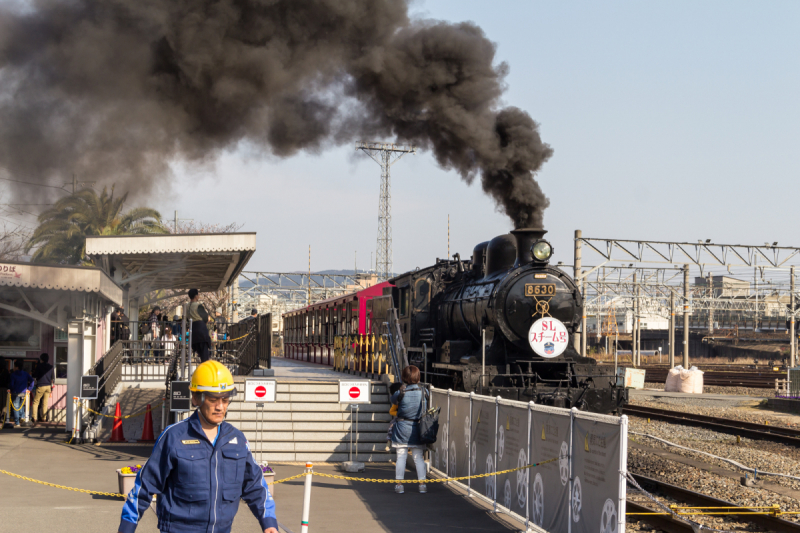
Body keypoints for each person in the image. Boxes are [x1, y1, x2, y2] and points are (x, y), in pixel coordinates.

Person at [117, 360, 279, 533]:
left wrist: (268, 522)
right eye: (213, 400)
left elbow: (255, 485)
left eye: (225, 400)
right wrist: (127, 527)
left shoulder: (237, 440)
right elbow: (145, 485)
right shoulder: (174, 437)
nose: (220, 407)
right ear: (196, 398)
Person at [390, 365, 428, 494]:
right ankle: (422, 485)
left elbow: (393, 400)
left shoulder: (400, 392)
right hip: (418, 427)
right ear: (418, 377)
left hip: (402, 427)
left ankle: (399, 485)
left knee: (401, 457)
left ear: (404, 377)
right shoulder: (424, 392)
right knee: (418, 458)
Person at [188, 288, 212, 363]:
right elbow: (205, 318)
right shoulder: (198, 306)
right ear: (196, 296)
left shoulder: (186, 306)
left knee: (198, 351)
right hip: (201, 330)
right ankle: (205, 370)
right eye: (198, 295)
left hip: (193, 330)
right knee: (204, 354)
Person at [9, 360, 35, 427]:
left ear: (17, 367)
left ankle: (17, 422)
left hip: (15, 392)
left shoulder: (13, 374)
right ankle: (22, 418)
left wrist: (11, 390)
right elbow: (32, 380)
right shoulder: (26, 374)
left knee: (15, 407)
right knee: (21, 406)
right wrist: (29, 389)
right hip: (24, 393)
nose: (13, 368)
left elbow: (11, 385)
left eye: (14, 366)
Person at [31, 353, 54, 424]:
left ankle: (34, 417)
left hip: (41, 386)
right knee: (45, 403)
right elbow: (52, 378)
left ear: (41, 359)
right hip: (48, 386)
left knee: (36, 402)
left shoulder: (39, 366)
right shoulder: (51, 367)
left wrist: (32, 373)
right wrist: (51, 387)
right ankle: (44, 418)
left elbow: (35, 375)